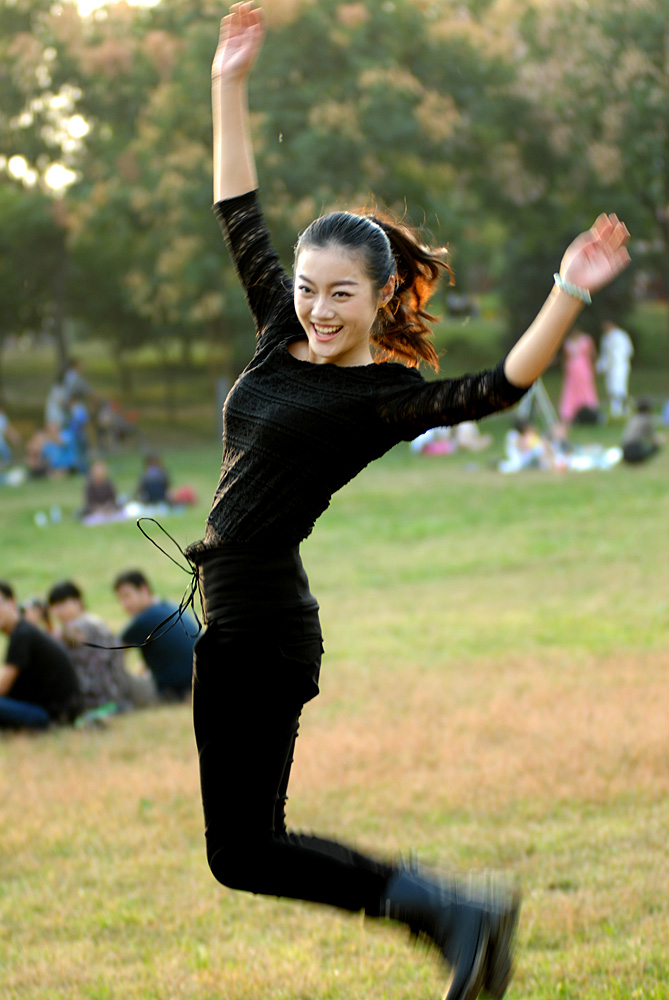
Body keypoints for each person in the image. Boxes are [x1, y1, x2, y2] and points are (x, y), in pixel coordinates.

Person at [184, 6, 631, 1000]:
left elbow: (499, 387)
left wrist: (567, 288)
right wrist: (227, 82)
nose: (318, 308)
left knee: (244, 850)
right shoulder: (277, 333)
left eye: (340, 294)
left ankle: (453, 910)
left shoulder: (377, 396)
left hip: (263, 629)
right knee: (245, 850)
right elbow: (237, 207)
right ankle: (453, 914)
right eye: (309, 289)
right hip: (238, 618)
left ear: (381, 298)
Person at [47, 580, 141, 713]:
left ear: (78, 602)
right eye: (55, 606)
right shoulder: (92, 621)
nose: (59, 611)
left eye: (63, 604)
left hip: (102, 695)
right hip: (114, 693)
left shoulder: (86, 624)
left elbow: (76, 636)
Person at [0, 581, 82, 730]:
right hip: (55, 710)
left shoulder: (22, 634)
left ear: (11, 602)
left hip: (51, 715)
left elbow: (2, 687)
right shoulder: (24, 631)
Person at [113, 570, 195, 702]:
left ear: (144, 589)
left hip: (172, 691)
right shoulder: (168, 606)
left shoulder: (144, 619)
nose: (124, 604)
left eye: (127, 596)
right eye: (120, 599)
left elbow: (111, 654)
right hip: (197, 681)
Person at [558, 329, 599, 424]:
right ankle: (571, 411)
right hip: (572, 368)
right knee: (572, 389)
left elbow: (592, 354)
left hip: (584, 366)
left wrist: (594, 366)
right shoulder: (567, 342)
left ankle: (588, 408)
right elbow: (565, 357)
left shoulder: (586, 340)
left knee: (585, 388)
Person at [597, 319, 634, 419]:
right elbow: (604, 354)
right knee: (611, 388)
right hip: (610, 367)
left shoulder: (621, 336)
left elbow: (628, 350)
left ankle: (622, 408)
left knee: (620, 387)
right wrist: (601, 366)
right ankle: (616, 409)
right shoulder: (605, 337)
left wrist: (617, 358)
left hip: (620, 366)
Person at [620, 398, 662, 465]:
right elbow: (652, 437)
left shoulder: (633, 418)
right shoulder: (646, 420)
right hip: (634, 450)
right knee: (655, 446)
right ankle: (638, 461)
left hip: (624, 450)